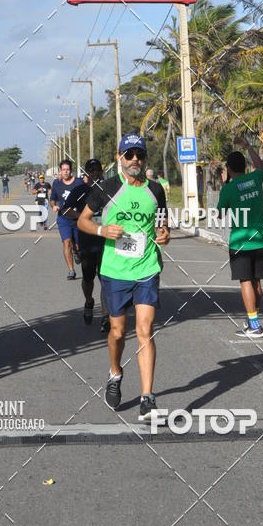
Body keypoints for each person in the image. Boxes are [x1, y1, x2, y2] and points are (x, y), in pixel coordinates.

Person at [77, 134, 170, 420]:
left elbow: (161, 225)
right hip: (115, 273)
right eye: (129, 155)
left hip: (146, 269)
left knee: (145, 329)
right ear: (119, 158)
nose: (135, 160)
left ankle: (147, 398)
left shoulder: (156, 190)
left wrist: (165, 235)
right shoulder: (106, 189)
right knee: (117, 332)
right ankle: (115, 372)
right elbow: (82, 220)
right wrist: (103, 231)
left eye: (139, 155)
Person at [217, 136, 263, 340]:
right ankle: (252, 320)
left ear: (229, 169)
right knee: (256, 281)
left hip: (241, 242)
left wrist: (225, 185)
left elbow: (220, 214)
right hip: (261, 238)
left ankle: (255, 325)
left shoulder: (229, 189)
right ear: (244, 166)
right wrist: (248, 145)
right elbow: (261, 165)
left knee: (245, 281)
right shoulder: (255, 179)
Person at [63, 159, 111, 332]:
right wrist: (82, 216)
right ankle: (89, 301)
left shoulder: (109, 189)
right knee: (88, 278)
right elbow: (66, 210)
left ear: (101, 171)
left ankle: (106, 316)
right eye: (90, 170)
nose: (94, 173)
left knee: (105, 279)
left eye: (97, 169)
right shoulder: (80, 190)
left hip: (107, 241)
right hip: (87, 242)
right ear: (86, 173)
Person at [50, 159, 84, 280]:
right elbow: (52, 198)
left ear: (71, 170)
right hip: (63, 218)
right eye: (63, 170)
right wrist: (53, 206)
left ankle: (76, 251)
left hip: (77, 218)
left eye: (68, 169)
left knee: (79, 246)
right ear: (60, 171)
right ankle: (71, 270)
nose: (65, 172)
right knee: (66, 242)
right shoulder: (57, 183)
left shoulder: (79, 182)